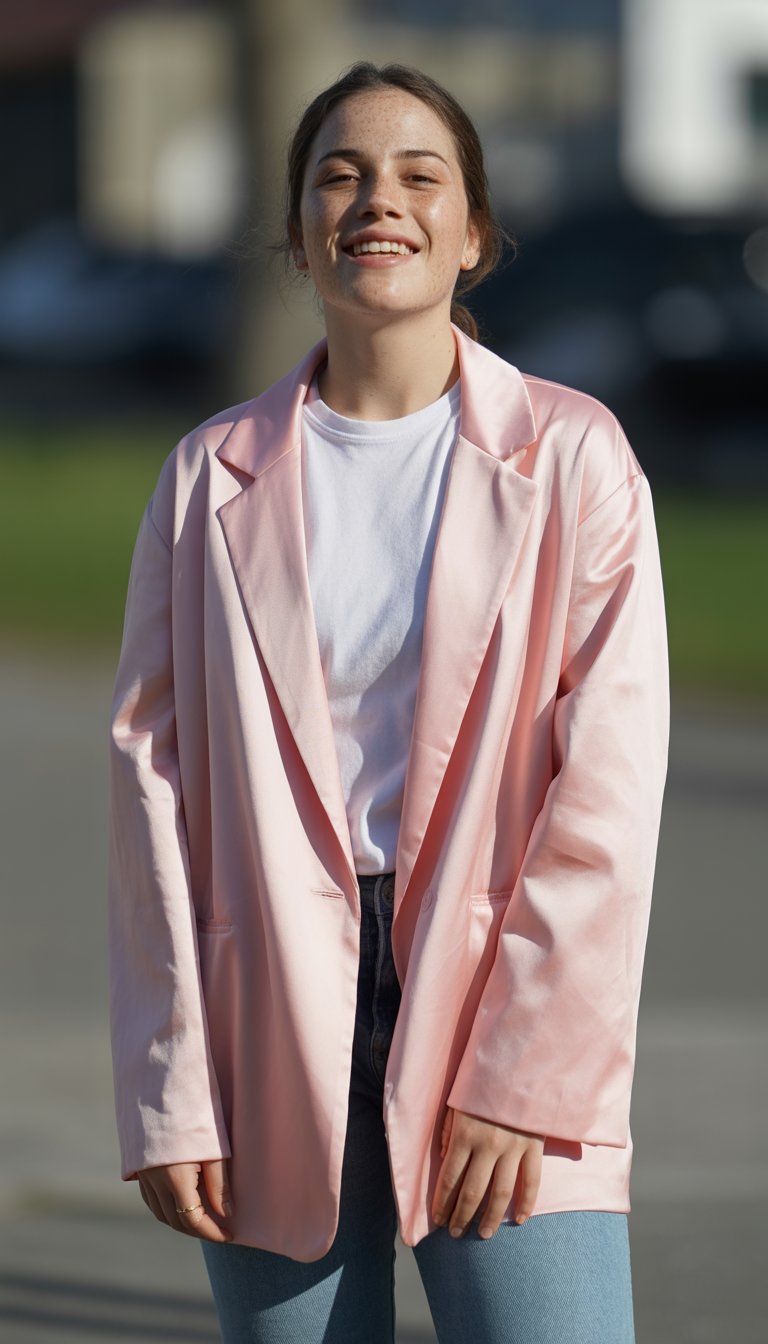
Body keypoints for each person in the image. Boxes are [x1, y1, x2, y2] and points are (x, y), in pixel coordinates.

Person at [108, 61, 669, 1344]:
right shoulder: (206, 480)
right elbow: (151, 799)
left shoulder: (574, 456)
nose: (379, 201)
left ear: (473, 234)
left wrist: (526, 1074)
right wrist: (171, 1088)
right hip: (265, 1019)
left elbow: (610, 789)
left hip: (503, 996)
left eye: (421, 175)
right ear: (299, 230)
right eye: (341, 176)